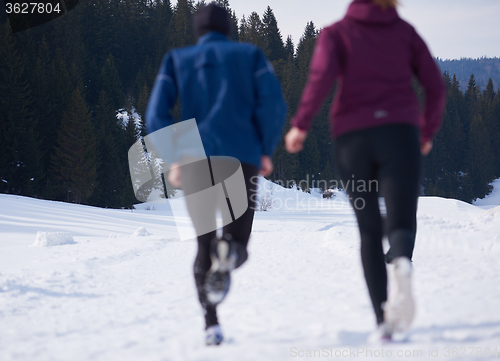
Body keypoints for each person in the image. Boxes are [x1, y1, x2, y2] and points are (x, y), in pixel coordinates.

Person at [285, 0, 446, 341]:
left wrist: (300, 125)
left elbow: (320, 80)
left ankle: (382, 322)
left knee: (370, 231)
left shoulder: (337, 33)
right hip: (401, 134)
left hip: (353, 139)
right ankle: (401, 259)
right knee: (400, 220)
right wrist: (427, 131)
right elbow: (435, 86)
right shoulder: (406, 33)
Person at [146, 3, 286, 345]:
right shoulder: (250, 56)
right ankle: (231, 251)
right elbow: (273, 105)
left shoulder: (177, 60)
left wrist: (176, 155)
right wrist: (266, 148)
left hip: (195, 158)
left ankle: (211, 325)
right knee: (238, 243)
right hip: (243, 157)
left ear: (197, 30)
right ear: (227, 28)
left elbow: (155, 112)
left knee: (203, 243)